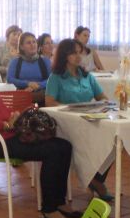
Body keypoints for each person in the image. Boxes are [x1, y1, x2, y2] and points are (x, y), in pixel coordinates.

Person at [0, 42, 80, 218]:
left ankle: (59, 202)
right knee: (53, 151)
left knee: (64, 146)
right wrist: (3, 124)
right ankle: (49, 209)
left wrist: (12, 116)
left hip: (8, 134)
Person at [45, 38, 112, 201]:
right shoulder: (56, 77)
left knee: (112, 142)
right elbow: (49, 102)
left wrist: (102, 105)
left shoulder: (87, 76)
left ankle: (96, 179)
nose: (78, 56)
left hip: (88, 120)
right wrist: (68, 108)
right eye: (73, 53)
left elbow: (103, 97)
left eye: (79, 53)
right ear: (64, 55)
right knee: (89, 143)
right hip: (68, 124)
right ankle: (93, 180)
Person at [6, 32, 51, 105]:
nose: (32, 45)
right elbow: (10, 79)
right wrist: (28, 83)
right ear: (21, 47)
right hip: (21, 95)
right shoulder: (15, 62)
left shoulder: (45, 61)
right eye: (28, 43)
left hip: (42, 95)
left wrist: (38, 85)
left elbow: (51, 79)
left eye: (34, 42)